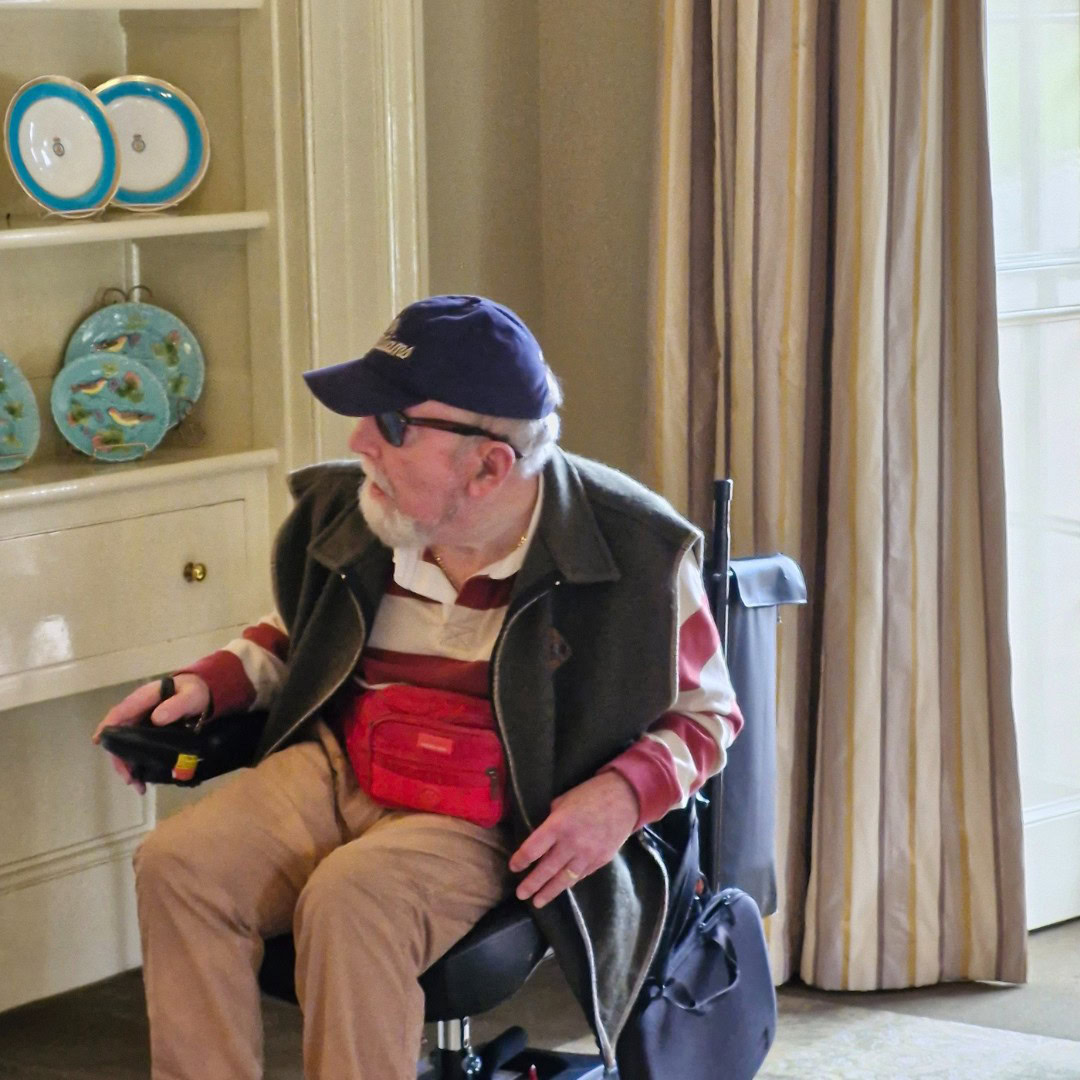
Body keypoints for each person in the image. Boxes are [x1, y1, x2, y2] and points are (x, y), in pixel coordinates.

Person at [92, 294, 743, 1080]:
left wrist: (618, 798)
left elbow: (709, 716)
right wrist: (204, 686)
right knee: (179, 865)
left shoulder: (639, 551)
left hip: (491, 803)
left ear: (489, 465)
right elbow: (298, 633)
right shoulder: (357, 511)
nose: (359, 440)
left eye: (393, 424)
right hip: (342, 762)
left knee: (352, 900)